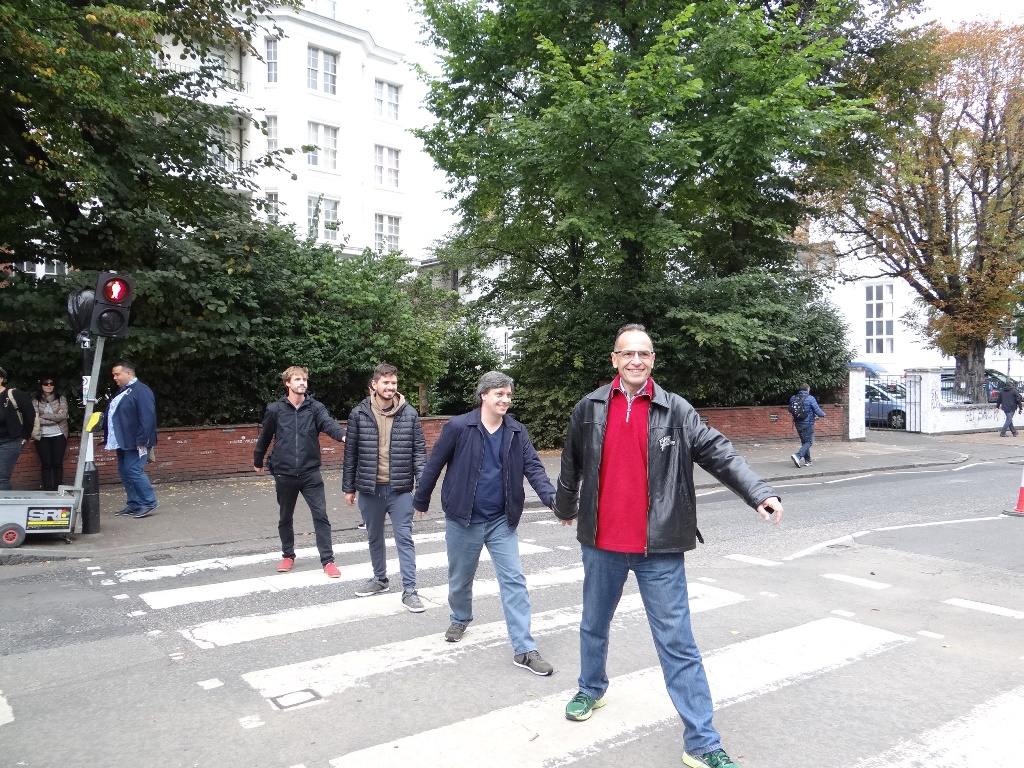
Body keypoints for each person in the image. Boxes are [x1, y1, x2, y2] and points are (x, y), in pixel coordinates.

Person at [553, 324, 784, 768]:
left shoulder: (676, 409)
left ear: (653, 360)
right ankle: (590, 689)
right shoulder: (589, 408)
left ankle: (702, 742)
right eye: (628, 353)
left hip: (658, 547)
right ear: (614, 359)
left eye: (644, 353)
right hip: (602, 543)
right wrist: (565, 506)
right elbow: (571, 464)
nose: (636, 360)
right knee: (593, 624)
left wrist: (757, 491)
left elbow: (718, 451)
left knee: (678, 644)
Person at [412, 371, 556, 676]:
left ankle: (524, 648)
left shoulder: (516, 431)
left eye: (508, 395)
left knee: (514, 580)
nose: (505, 400)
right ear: (484, 396)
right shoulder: (459, 427)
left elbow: (534, 467)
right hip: (463, 519)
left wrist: (552, 499)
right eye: (499, 394)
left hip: (501, 520)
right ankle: (460, 617)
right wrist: (421, 499)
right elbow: (435, 463)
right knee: (460, 578)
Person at [343, 363, 427, 612]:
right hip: (370, 489)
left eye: (394, 383)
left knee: (404, 538)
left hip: (400, 489)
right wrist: (349, 487)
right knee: (374, 536)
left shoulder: (409, 413)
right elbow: (351, 454)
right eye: (386, 382)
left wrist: (422, 491)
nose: (390, 387)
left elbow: (419, 453)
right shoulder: (359, 414)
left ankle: (410, 590)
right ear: (374, 384)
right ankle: (380, 579)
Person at [254, 366, 347, 578]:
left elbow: (328, 424)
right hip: (284, 473)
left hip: (310, 472)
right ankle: (288, 555)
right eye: (297, 379)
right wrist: (258, 460)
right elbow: (265, 437)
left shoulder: (315, 408)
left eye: (304, 379)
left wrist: (343, 436)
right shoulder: (275, 410)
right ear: (287, 383)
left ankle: (328, 561)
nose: (302, 382)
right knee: (285, 517)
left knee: (321, 516)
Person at [105, 362, 158, 518]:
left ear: (128, 373)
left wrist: (142, 440)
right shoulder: (124, 391)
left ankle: (149, 502)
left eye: (117, 374)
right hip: (123, 440)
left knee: (133, 470)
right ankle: (134, 503)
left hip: (136, 441)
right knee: (124, 471)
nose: (114, 378)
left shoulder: (141, 390)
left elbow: (147, 417)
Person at [0, 366, 36, 491]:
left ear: (1, 379)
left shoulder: (14, 395)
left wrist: (25, 435)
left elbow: (30, 414)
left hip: (9, 442)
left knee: (1, 478)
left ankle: (3, 503)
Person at [32, 377, 70, 491]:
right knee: (46, 464)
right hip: (42, 436)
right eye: (46, 384)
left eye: (51, 383)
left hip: (59, 435)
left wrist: (43, 415)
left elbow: (63, 416)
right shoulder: (36, 401)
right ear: (41, 386)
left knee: (57, 463)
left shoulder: (61, 399)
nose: (49, 386)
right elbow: (35, 418)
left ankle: (58, 488)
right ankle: (47, 489)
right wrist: (54, 417)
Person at [789, 382, 826, 468]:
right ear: (808, 389)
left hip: (797, 423)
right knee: (809, 441)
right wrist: (823, 414)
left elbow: (790, 410)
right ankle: (797, 456)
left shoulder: (793, 398)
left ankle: (808, 461)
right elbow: (818, 411)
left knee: (804, 442)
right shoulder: (810, 398)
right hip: (807, 424)